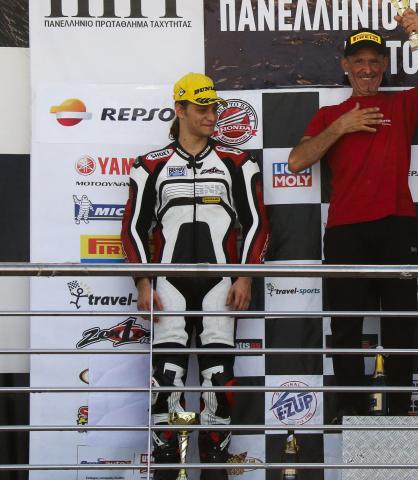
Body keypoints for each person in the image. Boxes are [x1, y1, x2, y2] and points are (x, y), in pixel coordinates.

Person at [286, 10, 418, 418]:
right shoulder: (330, 115)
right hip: (346, 229)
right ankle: (352, 415)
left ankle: (398, 415)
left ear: (384, 65)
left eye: (374, 61)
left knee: (400, 324)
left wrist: (417, 36)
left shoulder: (400, 103)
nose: (367, 69)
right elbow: (296, 161)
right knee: (345, 326)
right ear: (345, 65)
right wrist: (341, 126)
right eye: (359, 61)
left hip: (397, 225)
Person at [120, 73, 270, 480]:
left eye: (214, 108)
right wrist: (142, 281)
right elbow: (132, 228)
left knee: (218, 379)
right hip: (167, 285)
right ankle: (167, 469)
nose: (211, 116)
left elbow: (257, 223)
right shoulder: (149, 165)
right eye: (202, 108)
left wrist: (245, 277)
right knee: (166, 379)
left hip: (221, 284)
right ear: (180, 110)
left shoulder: (239, 162)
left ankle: (215, 469)